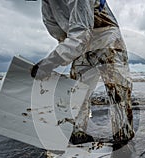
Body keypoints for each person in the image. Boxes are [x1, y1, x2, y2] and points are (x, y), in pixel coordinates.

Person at [31, 0, 134, 145]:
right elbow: (61, 35)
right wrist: (60, 55)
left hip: (107, 38)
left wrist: (50, 62)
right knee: (77, 90)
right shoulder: (47, 4)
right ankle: (79, 134)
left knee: (118, 90)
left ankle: (123, 138)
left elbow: (81, 35)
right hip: (80, 45)